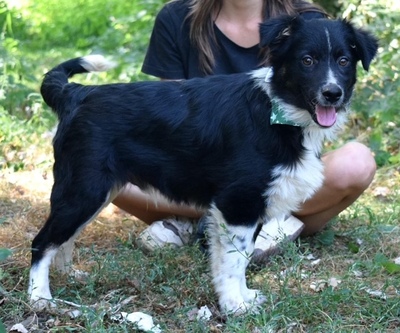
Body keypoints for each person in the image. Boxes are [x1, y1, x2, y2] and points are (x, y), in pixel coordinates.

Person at [112, 0, 376, 260]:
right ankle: (233, 221)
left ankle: (244, 222)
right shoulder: (176, 17)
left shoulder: (306, 19)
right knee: (108, 169)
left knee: (356, 162)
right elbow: (173, 119)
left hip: (281, 177)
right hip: (199, 175)